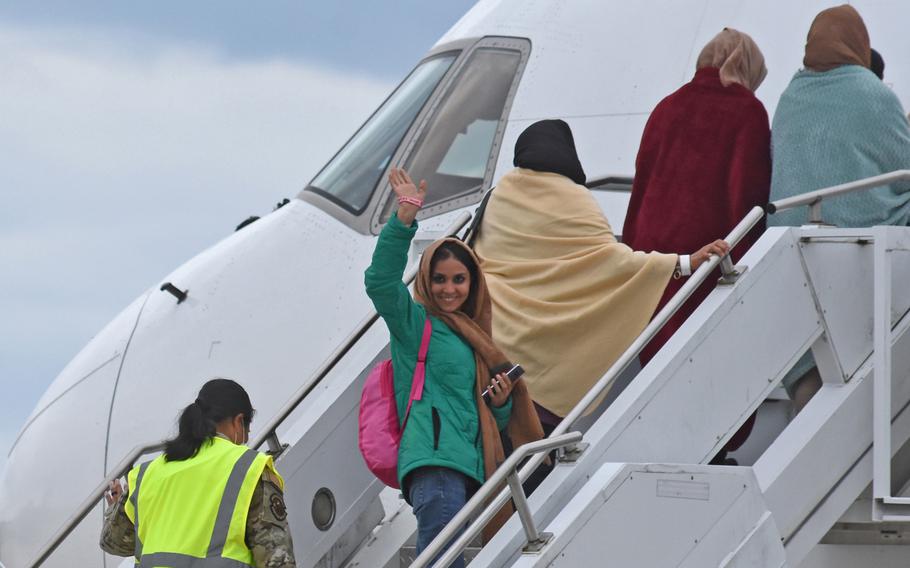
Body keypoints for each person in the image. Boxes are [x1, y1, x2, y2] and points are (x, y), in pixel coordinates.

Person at [472, 120, 728, 483]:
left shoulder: (498, 198)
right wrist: (682, 263)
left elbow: (481, 262)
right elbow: (613, 263)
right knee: (534, 454)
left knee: (494, 450)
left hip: (499, 347)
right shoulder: (575, 200)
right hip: (551, 363)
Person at [364, 168, 544, 567]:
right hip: (434, 460)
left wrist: (499, 404)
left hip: (463, 464)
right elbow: (380, 282)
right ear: (426, 280)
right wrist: (403, 222)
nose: (449, 288)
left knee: (445, 558)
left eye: (459, 279)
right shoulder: (416, 325)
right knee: (443, 559)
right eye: (440, 279)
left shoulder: (473, 336)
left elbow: (477, 413)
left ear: (472, 283)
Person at [622, 29, 771, 460]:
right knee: (713, 367)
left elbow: (641, 191)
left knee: (664, 363)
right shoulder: (747, 112)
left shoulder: (665, 108)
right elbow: (747, 196)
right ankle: (713, 449)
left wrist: (633, 260)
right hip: (710, 262)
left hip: (655, 266)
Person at [769, 5, 910, 412]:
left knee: (814, 369)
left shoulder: (790, 95)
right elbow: (902, 169)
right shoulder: (873, 94)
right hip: (854, 244)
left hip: (789, 247)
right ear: (858, 44)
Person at [100, 378, 296, 567]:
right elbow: (276, 560)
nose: (246, 439)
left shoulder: (147, 474)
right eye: (247, 429)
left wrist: (115, 509)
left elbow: (113, 542)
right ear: (238, 421)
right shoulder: (248, 468)